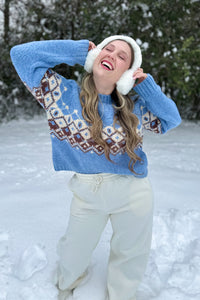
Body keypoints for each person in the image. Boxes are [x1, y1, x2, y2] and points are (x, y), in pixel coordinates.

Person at [10, 35, 181, 300]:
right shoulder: (60, 95)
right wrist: (78, 51)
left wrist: (145, 86)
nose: (112, 55)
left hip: (133, 193)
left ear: (127, 74)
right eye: (107, 49)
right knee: (73, 253)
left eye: (122, 56)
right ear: (95, 57)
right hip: (87, 195)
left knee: (130, 255)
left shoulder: (135, 107)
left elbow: (171, 119)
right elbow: (21, 56)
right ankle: (66, 286)